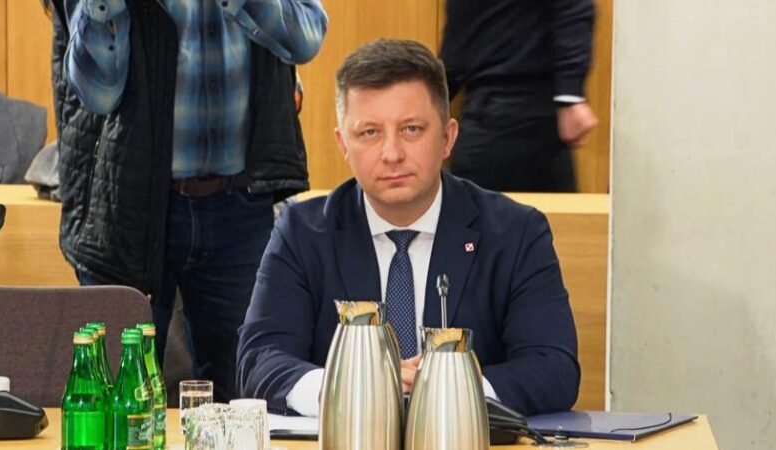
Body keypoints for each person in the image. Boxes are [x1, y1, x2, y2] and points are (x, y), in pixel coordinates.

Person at [237, 39, 580, 416]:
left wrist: (451, 387)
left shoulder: (515, 233)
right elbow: (259, 361)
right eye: (369, 133)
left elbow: (554, 369)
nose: (392, 154)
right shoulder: (302, 232)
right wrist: (348, 388)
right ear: (343, 144)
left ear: (447, 138)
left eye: (411, 129)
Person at [43, 0, 328, 402]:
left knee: (244, 395)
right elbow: (97, 95)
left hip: (240, 207)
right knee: (123, 399)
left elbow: (306, 39)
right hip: (129, 206)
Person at [440, 0, 598, 192]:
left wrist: (570, 96)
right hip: (527, 114)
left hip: (495, 115)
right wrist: (570, 95)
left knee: (470, 204)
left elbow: (456, 51)